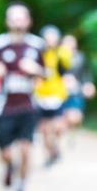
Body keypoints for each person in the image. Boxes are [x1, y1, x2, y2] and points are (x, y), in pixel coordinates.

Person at [0, 3, 45, 191]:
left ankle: (21, 188)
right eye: (14, 18)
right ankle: (9, 167)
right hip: (4, 106)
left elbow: (46, 75)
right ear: (8, 21)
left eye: (22, 18)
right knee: (5, 153)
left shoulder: (37, 45)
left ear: (28, 21)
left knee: (26, 149)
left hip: (28, 106)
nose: (18, 22)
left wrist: (36, 70)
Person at [35, 25, 72, 166]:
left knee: (57, 127)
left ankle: (54, 147)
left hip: (57, 95)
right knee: (43, 129)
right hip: (41, 95)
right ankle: (49, 154)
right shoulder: (38, 54)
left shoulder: (62, 53)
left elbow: (69, 68)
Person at [60, 34, 96, 132]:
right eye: (67, 42)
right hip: (59, 92)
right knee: (60, 120)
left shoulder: (80, 57)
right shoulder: (57, 56)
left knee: (75, 117)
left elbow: (86, 73)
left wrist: (89, 84)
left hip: (76, 91)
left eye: (72, 42)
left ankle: (69, 130)